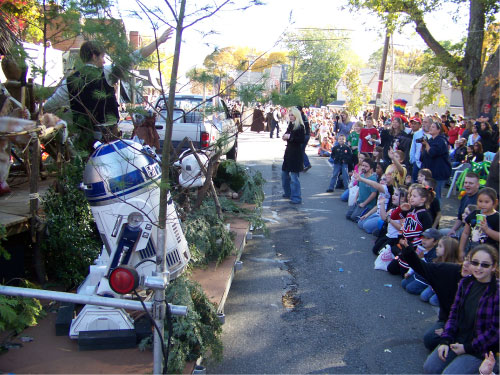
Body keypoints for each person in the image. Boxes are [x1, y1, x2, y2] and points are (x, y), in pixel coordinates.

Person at [45, 28, 173, 151]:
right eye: (102, 57)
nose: (104, 61)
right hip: (108, 142)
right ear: (94, 56)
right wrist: (159, 41)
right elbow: (135, 57)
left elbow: (49, 106)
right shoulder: (106, 72)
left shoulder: (69, 82)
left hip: (82, 143)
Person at [423, 245, 499, 374]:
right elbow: (454, 314)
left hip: (480, 348)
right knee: (430, 368)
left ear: (494, 266)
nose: (479, 268)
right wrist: (445, 340)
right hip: (458, 339)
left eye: (485, 265)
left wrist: (466, 348)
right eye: (475, 263)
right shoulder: (466, 283)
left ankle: (490, 369)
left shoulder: (496, 292)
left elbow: (495, 331)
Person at [402, 242, 469, 351]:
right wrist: (409, 251)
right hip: (449, 320)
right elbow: (423, 268)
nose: (466, 264)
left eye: (475, 263)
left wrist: (452, 332)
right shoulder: (451, 270)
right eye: (467, 259)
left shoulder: (481, 287)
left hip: (468, 332)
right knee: (430, 339)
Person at [387, 184, 434, 276]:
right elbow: (393, 216)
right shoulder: (410, 210)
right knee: (391, 269)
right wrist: (400, 208)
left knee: (403, 274)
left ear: (423, 199)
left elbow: (426, 236)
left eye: (414, 196)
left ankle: (413, 270)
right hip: (404, 246)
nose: (411, 198)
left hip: (413, 248)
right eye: (411, 195)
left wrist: (412, 244)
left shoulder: (425, 215)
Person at [420, 236, 461, 307]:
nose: (436, 248)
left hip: (445, 290)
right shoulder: (437, 260)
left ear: (448, 250)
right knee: (423, 296)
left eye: (440, 246)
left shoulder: (454, 267)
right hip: (436, 285)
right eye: (438, 245)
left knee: (433, 301)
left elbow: (450, 285)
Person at [459, 187, 499, 257]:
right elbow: (465, 233)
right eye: (480, 201)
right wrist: (461, 250)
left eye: (486, 202)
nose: (483, 204)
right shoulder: (474, 214)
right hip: (472, 251)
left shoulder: (497, 217)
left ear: (495, 202)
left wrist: (487, 230)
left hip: (490, 255)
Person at [401, 228, 440, 295]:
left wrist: (422, 258)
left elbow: (429, 269)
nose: (424, 240)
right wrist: (409, 272)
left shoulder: (434, 254)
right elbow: (415, 263)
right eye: (423, 237)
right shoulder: (421, 249)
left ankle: (427, 288)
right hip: (418, 274)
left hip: (425, 279)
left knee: (410, 288)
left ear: (435, 242)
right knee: (403, 283)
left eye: (428, 238)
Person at [442, 172, 481, 238]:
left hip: (472, 232)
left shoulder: (480, 199)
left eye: (471, 183)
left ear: (477, 185)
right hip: (462, 229)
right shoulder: (464, 197)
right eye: (466, 183)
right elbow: (459, 218)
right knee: (439, 233)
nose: (467, 185)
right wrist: (453, 229)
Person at [420, 122, 452, 200]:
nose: (430, 128)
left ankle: (437, 211)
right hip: (429, 173)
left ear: (438, 130)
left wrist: (426, 144)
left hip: (438, 173)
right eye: (430, 126)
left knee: (436, 195)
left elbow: (432, 152)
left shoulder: (441, 141)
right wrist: (423, 147)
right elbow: (423, 157)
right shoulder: (430, 140)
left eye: (433, 127)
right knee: (428, 194)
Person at [281, 107, 305, 204]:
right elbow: (286, 134)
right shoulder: (291, 125)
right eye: (289, 115)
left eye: (292, 115)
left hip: (295, 154)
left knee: (294, 178)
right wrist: (285, 136)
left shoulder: (300, 126)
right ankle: (288, 193)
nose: (290, 117)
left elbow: (301, 139)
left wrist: (290, 137)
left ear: (296, 115)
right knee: (284, 174)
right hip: (288, 153)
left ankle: (296, 197)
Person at [410, 116, 432, 182]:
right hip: (417, 162)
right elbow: (413, 147)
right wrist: (412, 160)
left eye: (426, 122)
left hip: (428, 163)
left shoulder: (433, 135)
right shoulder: (417, 134)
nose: (423, 124)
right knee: (415, 181)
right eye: (423, 122)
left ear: (430, 124)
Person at [298, 106, 312, 172]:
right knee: (301, 150)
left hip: (304, 135)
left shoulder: (301, 117)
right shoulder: (303, 116)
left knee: (301, 151)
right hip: (306, 135)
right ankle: (303, 165)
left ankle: (306, 164)